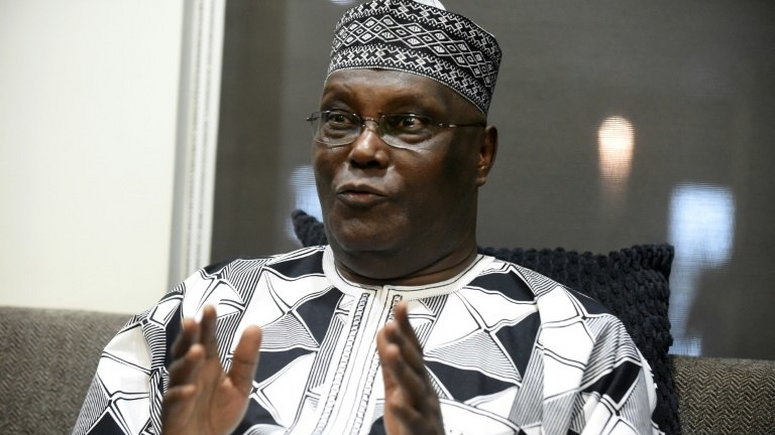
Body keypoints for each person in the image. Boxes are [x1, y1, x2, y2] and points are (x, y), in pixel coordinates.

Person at [74, 1, 660, 434]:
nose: (363, 149)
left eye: (408, 123)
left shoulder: (578, 344)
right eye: (339, 119)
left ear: (481, 155)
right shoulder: (205, 310)